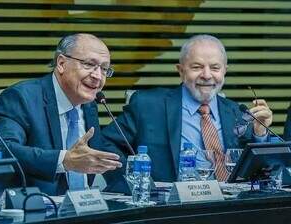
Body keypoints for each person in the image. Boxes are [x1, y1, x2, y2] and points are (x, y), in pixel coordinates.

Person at [101, 34, 273, 191]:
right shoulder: (148, 106)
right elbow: (105, 143)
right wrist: (133, 182)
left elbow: (262, 171)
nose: (207, 75)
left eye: (215, 68)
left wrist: (260, 132)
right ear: (181, 71)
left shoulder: (238, 111)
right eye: (197, 67)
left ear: (224, 71)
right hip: (171, 209)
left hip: (231, 208)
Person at [0, 33, 122, 195]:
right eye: (89, 64)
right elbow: (2, 151)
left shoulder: (89, 105)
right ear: (61, 63)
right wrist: (64, 161)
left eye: (104, 69)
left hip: (84, 208)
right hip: (35, 206)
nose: (97, 76)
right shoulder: (21, 98)